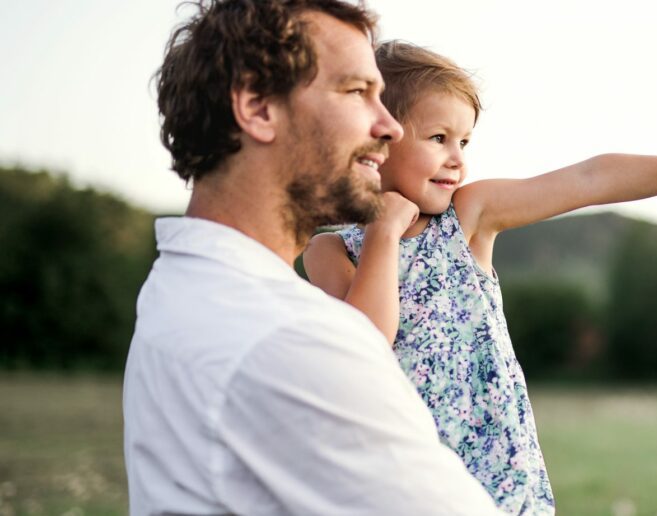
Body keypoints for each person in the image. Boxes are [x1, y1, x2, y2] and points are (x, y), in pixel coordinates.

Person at [302, 41, 657, 515]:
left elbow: (590, 179)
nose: (458, 158)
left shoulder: (468, 216)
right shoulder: (330, 249)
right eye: (438, 138)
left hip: (499, 482)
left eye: (465, 141)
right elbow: (368, 340)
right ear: (380, 136)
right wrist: (385, 230)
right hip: (405, 484)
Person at [122, 2, 502, 514]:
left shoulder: (183, 286)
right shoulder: (290, 337)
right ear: (258, 107)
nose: (389, 126)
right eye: (357, 92)